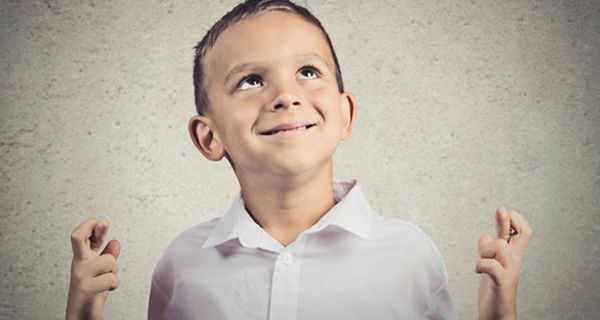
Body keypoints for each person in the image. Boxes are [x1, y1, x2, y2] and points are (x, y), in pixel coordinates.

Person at [66, 1, 533, 319]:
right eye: (250, 80)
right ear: (208, 137)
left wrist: (499, 311)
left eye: (307, 72)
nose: (286, 95)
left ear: (345, 114)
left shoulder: (410, 256)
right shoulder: (182, 267)